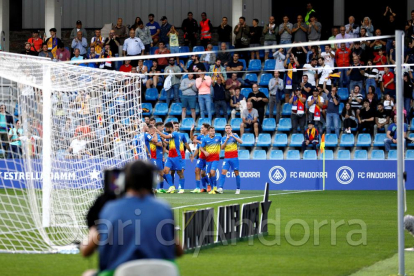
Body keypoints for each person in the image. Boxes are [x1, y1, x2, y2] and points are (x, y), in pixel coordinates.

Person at [81, 160, 181, 275]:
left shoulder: (111, 209)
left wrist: (93, 229)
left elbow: (86, 251)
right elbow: (178, 251)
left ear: (124, 181)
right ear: (152, 181)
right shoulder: (164, 208)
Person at [155, 122, 190, 194]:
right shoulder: (171, 135)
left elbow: (166, 137)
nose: (165, 129)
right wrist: (163, 140)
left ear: (170, 128)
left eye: (166, 128)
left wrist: (158, 131)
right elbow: (167, 142)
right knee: (165, 171)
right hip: (170, 157)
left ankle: (182, 188)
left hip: (177, 156)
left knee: (179, 172)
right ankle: (172, 186)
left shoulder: (175, 134)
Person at [218, 125, 243, 194]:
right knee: (223, 172)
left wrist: (233, 136)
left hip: (234, 158)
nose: (227, 129)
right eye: (226, 128)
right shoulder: (223, 138)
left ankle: (238, 189)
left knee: (236, 173)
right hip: (226, 158)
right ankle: (220, 188)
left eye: (229, 128)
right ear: (225, 130)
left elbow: (241, 142)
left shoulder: (235, 135)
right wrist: (227, 139)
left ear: (231, 129)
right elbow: (222, 147)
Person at [199, 127, 221, 194]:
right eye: (211, 131)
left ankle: (215, 187)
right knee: (209, 174)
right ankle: (212, 189)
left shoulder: (218, 138)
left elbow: (225, 139)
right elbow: (201, 147)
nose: (213, 132)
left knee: (212, 172)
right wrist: (204, 152)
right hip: (208, 159)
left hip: (215, 158)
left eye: (214, 131)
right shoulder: (206, 139)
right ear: (208, 132)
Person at [190, 123, 211, 193]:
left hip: (208, 158)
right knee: (196, 171)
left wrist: (198, 141)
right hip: (201, 157)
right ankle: (198, 188)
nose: (201, 129)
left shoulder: (210, 136)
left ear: (206, 129)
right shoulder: (201, 136)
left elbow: (207, 143)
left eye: (202, 128)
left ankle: (208, 185)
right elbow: (193, 139)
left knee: (203, 173)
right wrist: (191, 131)